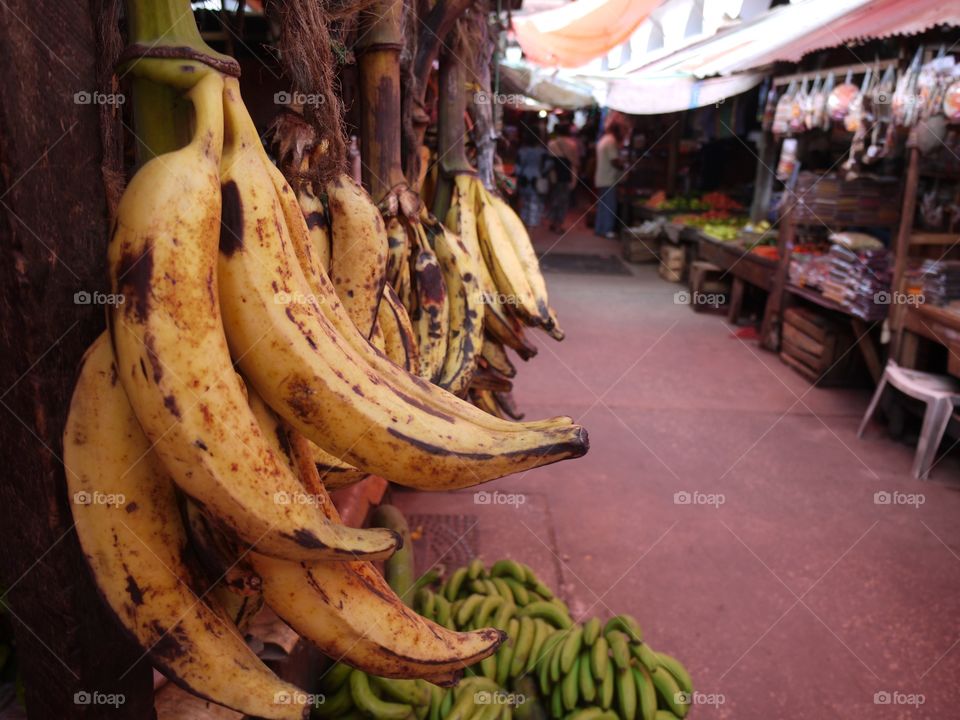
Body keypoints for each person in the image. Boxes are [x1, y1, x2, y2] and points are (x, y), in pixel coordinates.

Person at [594, 119, 626, 238]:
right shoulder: (611, 141)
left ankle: (600, 228)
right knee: (609, 205)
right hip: (608, 178)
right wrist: (624, 166)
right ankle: (607, 229)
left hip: (602, 177)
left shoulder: (603, 140)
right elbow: (614, 161)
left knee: (603, 205)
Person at [545, 122, 579, 233]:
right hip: (566, 174)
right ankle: (558, 223)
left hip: (554, 174)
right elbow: (575, 161)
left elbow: (549, 160)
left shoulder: (552, 143)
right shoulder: (572, 144)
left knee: (554, 198)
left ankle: (553, 222)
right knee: (563, 200)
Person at [515, 125, 548, 228]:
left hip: (524, 179)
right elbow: (547, 166)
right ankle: (530, 232)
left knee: (523, 204)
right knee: (534, 205)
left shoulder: (522, 151)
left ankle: (523, 228)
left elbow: (517, 168)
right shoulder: (542, 152)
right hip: (537, 179)